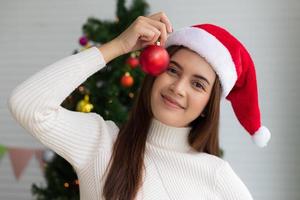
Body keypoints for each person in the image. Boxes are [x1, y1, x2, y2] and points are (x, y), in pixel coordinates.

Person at [7, 11, 270, 200]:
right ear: (155, 72)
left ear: (207, 106)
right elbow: (27, 105)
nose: (178, 88)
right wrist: (117, 46)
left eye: (198, 84)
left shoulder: (216, 176)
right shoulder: (101, 143)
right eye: (172, 70)